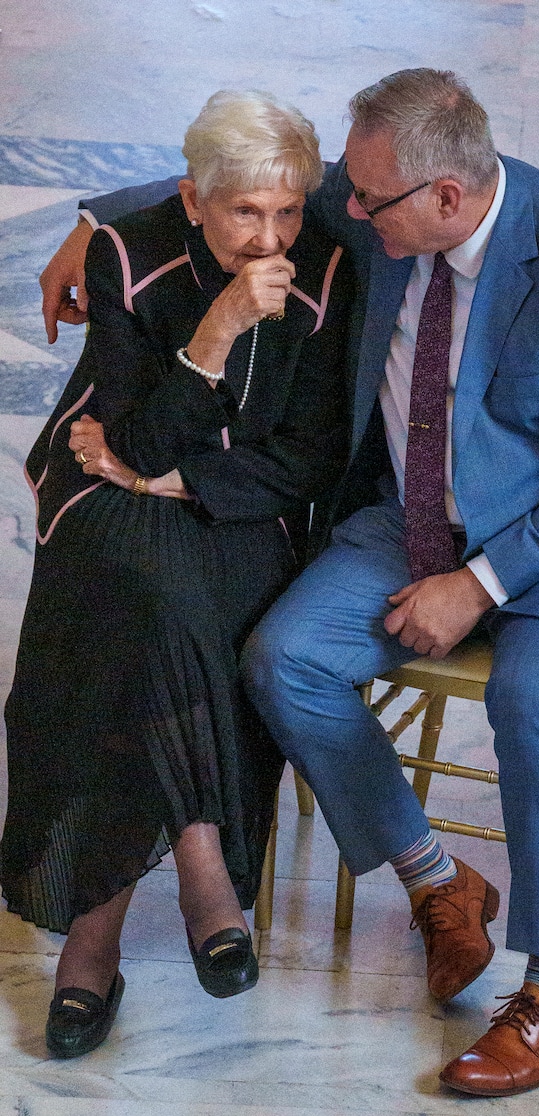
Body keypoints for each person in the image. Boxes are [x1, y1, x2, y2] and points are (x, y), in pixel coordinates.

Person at [36, 69, 539, 1096]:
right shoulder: (390, 198)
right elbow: (244, 181)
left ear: (443, 197)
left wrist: (475, 585)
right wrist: (89, 224)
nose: (337, 215)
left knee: (529, 696)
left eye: (365, 201)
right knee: (286, 659)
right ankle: (439, 885)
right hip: (418, 511)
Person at [0, 89, 352, 1059]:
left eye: (287, 211)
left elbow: (308, 458)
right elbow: (131, 432)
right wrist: (217, 333)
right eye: (246, 212)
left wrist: (176, 477)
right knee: (136, 599)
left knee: (152, 614)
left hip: (239, 505)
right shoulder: (127, 254)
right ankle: (204, 853)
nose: (270, 235)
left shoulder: (325, 261)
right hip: (109, 492)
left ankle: (92, 935)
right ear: (195, 201)